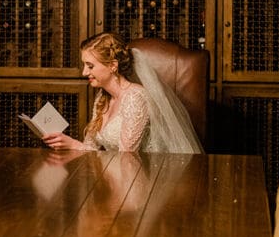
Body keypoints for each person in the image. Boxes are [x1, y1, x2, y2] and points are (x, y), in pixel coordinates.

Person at [41, 32, 203, 154]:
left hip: (140, 180)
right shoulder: (102, 98)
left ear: (113, 65)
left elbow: (126, 158)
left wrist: (75, 145)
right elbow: (90, 147)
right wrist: (65, 143)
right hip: (113, 177)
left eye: (90, 66)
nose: (84, 72)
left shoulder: (136, 98)